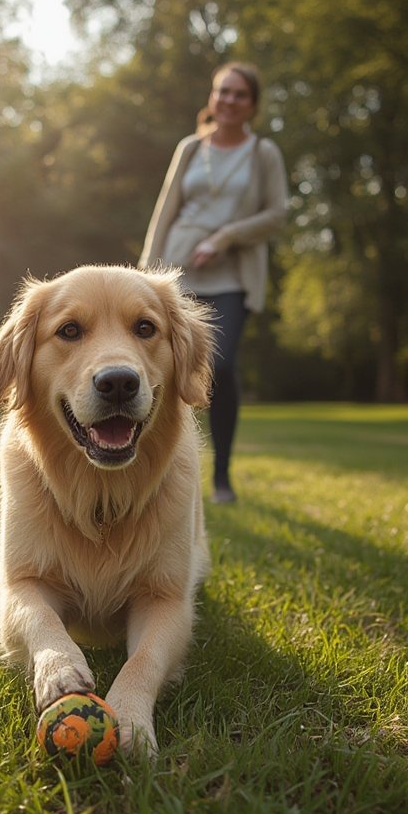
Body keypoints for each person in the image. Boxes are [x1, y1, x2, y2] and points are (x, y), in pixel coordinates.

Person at [138, 62, 288, 503]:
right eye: (223, 91)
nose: (229, 100)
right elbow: (165, 210)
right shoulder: (190, 147)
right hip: (176, 271)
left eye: (239, 94)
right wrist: (146, 275)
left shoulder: (263, 153)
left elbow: (278, 213)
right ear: (212, 97)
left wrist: (225, 237)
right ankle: (162, 472)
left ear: (252, 104)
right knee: (161, 371)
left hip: (231, 276)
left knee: (218, 368)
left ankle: (221, 476)